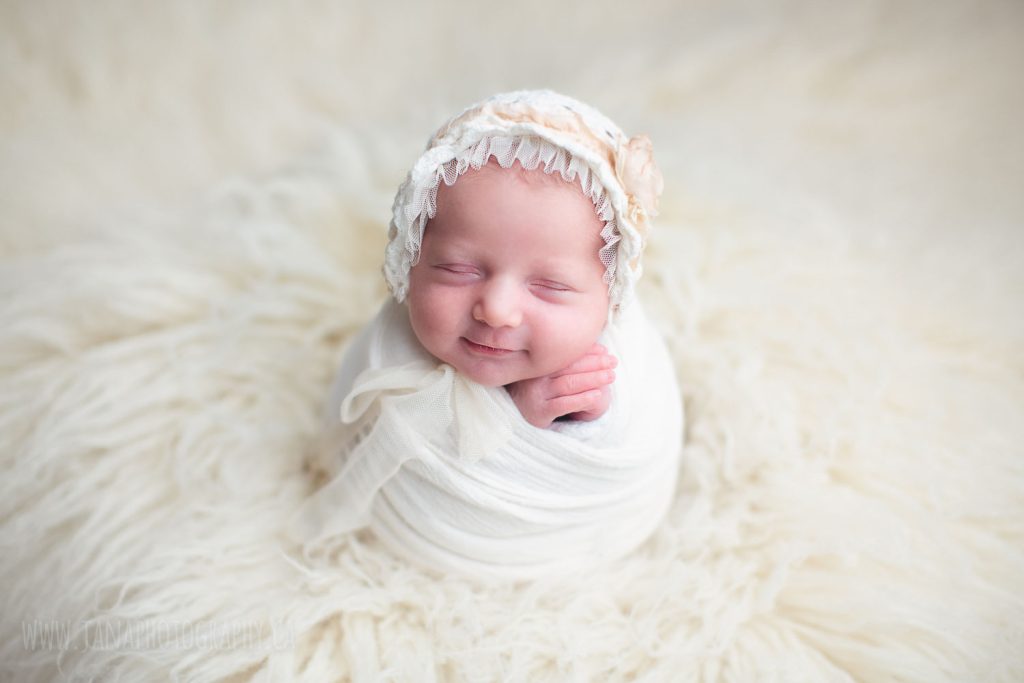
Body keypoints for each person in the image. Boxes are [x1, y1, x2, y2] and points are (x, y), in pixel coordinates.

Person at [293, 90, 683, 580]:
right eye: (456, 269)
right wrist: (512, 409)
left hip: (563, 545)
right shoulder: (387, 352)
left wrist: (573, 420)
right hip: (419, 537)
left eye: (550, 286)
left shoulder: (621, 368)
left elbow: (618, 451)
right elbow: (393, 425)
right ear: (411, 256)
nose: (496, 310)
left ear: (610, 296)